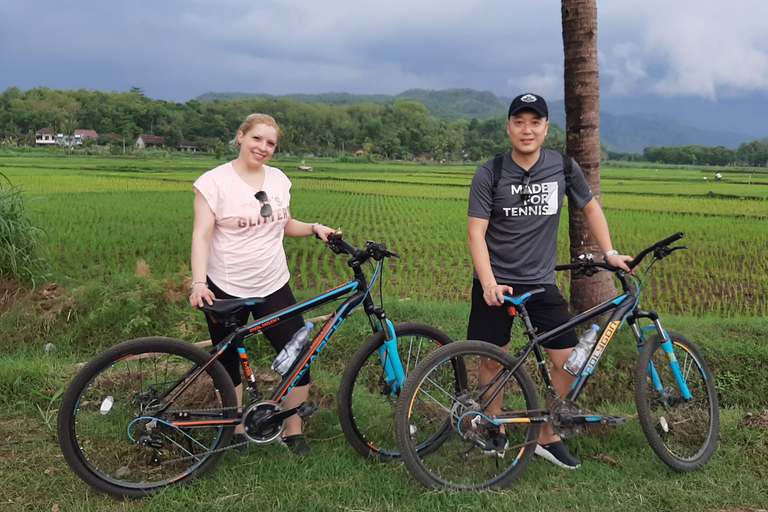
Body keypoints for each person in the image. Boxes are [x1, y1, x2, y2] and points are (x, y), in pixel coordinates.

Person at [466, 93, 633, 469]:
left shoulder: (563, 167)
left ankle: (547, 435)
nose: (527, 129)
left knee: (570, 363)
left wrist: (609, 254)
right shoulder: (489, 172)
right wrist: (489, 283)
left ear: (545, 127)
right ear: (508, 126)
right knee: (493, 361)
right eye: (519, 121)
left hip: (540, 284)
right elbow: (476, 233)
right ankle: (494, 428)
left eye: (535, 122)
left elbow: (590, 206)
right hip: (496, 283)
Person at [189, 113, 335, 456]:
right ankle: (235, 430)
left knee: (298, 355)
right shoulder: (214, 183)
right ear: (241, 137)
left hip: (273, 285)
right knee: (227, 364)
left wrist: (314, 227)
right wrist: (198, 283)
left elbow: (283, 224)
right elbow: (201, 235)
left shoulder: (279, 180)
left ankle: (293, 431)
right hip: (225, 287)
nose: (263, 148)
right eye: (257, 139)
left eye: (270, 143)